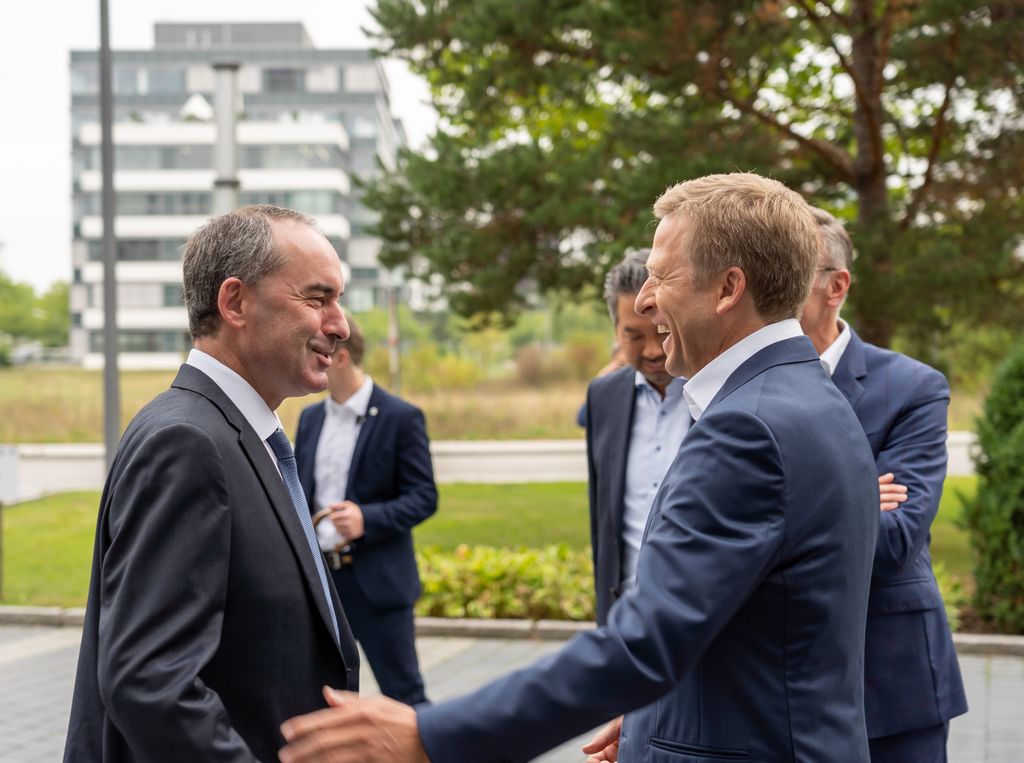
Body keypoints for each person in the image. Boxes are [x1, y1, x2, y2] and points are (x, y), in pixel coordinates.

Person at [278, 173, 881, 763]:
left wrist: (431, 737)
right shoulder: (805, 397)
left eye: (661, 275)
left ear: (728, 289)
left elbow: (649, 642)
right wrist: (654, 720)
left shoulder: (746, 426)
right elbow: (754, 627)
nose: (643, 299)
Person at [63, 205, 360, 762]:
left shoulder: (234, 434)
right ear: (235, 303)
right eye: (317, 299)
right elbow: (152, 684)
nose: (340, 324)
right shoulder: (189, 443)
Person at [801, 207, 968, 762]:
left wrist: (783, 512)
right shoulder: (733, 387)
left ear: (836, 286)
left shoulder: (914, 388)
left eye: (787, 272)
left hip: (891, 686)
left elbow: (893, 542)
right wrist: (850, 499)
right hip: (781, 690)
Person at [294, 313, 437, 706]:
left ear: (340, 358)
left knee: (405, 697)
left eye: (316, 351)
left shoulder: (401, 417)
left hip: (379, 586)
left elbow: (424, 496)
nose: (309, 360)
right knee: (321, 699)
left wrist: (366, 519)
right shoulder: (309, 418)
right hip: (322, 585)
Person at [583, 251, 690, 624]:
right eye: (632, 336)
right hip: (623, 619)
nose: (650, 351)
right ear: (616, 333)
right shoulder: (602, 396)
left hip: (699, 622)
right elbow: (603, 517)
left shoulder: (717, 396)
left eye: (661, 333)